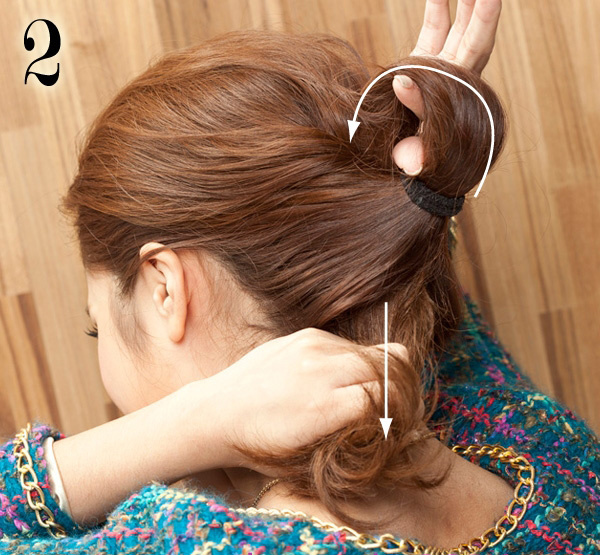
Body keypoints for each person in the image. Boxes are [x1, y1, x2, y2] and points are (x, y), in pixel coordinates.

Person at [1, 1, 598, 553]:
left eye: (97, 325)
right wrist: (415, 174)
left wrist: (193, 425)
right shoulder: (544, 448)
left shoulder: (191, 541)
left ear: (165, 289)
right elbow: (404, 261)